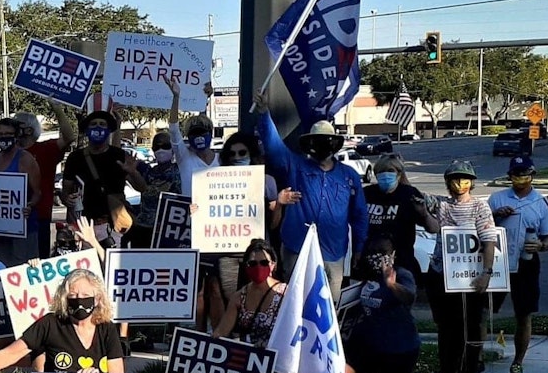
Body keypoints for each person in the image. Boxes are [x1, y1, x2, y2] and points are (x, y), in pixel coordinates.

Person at [252, 90, 368, 301]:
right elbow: (274, 147)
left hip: (332, 253)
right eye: (317, 140)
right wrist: (264, 112)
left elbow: (359, 215)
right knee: (294, 302)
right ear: (309, 144)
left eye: (326, 141)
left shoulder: (349, 176)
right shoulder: (295, 166)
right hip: (297, 248)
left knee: (329, 307)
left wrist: (359, 248)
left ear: (334, 144)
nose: (321, 145)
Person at [0, 268, 124, 373]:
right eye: (72, 296)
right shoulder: (50, 323)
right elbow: (11, 353)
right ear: (64, 298)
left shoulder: (106, 328)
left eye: (85, 296)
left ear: (98, 299)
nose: (78, 301)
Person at [212, 239, 310, 373]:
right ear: (246, 266)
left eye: (264, 263)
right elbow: (222, 330)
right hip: (252, 356)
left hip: (281, 353)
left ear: (273, 265)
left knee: (282, 358)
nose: (259, 267)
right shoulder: (239, 296)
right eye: (253, 263)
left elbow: (295, 330)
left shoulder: (285, 293)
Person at [345, 237, 444, 373]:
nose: (378, 261)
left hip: (399, 349)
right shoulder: (367, 275)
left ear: (393, 256)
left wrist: (391, 285)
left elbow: (409, 297)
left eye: (383, 255)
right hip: (370, 346)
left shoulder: (401, 274)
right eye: (373, 255)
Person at [201, 132, 286, 328]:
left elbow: (273, 225)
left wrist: (279, 205)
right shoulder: (213, 181)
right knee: (232, 300)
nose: (238, 157)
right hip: (227, 252)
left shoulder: (267, 181)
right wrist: (196, 210)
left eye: (242, 152)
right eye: (232, 154)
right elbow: (207, 213)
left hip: (256, 252)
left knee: (260, 294)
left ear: (252, 154)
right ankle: (236, 340)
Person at [426, 160, 496, 373]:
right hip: (441, 275)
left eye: (465, 179)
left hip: (470, 277)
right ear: (448, 182)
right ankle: (446, 372)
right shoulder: (441, 205)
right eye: (455, 179)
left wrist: (486, 273)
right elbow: (422, 205)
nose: (460, 183)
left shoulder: (480, 207)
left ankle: (468, 372)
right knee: (446, 327)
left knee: (471, 326)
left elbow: (488, 241)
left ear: (472, 183)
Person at [488, 155, 548, 373]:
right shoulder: (496, 198)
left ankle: (517, 362)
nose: (520, 179)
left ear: (532, 175)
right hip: (497, 261)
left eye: (524, 174)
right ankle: (475, 358)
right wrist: (495, 216)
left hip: (526, 263)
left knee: (524, 314)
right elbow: (479, 227)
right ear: (510, 177)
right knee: (483, 311)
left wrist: (541, 245)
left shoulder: (540, 203)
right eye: (516, 175)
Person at [61, 110, 139, 248]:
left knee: (112, 267)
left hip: (114, 226)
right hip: (84, 226)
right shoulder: (75, 158)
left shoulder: (119, 156)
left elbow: (142, 187)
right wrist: (67, 199)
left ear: (109, 130)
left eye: (102, 124)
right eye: (94, 124)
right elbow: (66, 191)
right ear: (86, 130)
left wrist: (133, 173)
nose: (98, 127)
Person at [364, 155, 440, 282]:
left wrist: (423, 213)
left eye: (390, 171)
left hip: (401, 263)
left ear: (399, 175)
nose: (386, 175)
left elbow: (434, 228)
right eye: (381, 172)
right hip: (368, 262)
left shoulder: (409, 194)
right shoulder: (367, 194)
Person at [15, 108, 76, 258]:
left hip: (38, 216)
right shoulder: (8, 153)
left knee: (38, 260)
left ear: (28, 130)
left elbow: (69, 137)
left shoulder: (45, 149)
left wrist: (57, 107)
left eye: (16, 124)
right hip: (11, 217)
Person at [0, 118, 42, 266]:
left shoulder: (26, 159)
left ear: (16, 136)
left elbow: (38, 192)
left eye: (8, 133)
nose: (4, 137)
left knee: (22, 272)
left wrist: (30, 205)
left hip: (23, 229)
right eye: (0, 133)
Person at [125, 130, 181, 249]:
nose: (160, 150)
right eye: (157, 147)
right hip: (144, 230)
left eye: (165, 146)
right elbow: (120, 159)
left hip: (169, 231)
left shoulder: (180, 171)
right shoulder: (147, 171)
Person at [165, 77, 218, 194]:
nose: (199, 137)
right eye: (194, 133)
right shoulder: (184, 157)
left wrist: (205, 98)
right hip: (191, 211)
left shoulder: (222, 160)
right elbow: (173, 128)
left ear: (211, 133)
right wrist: (176, 97)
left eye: (202, 132)